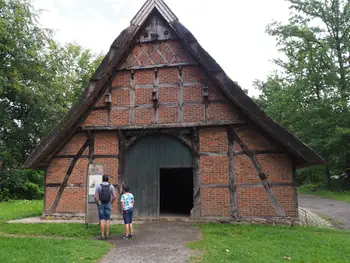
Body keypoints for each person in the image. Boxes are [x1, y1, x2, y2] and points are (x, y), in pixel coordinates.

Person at [95, 175, 116, 240]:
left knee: (102, 219)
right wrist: (111, 202)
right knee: (107, 219)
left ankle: (102, 235)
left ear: (102, 179)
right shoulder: (111, 186)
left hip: (101, 203)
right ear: (108, 179)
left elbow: (95, 197)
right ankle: (107, 235)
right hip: (108, 204)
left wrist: (97, 203)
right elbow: (114, 196)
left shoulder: (98, 186)